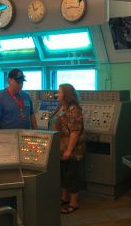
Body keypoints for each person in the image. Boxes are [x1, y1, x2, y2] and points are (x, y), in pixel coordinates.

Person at [49, 83, 85, 214]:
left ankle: (73, 203)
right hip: (59, 148)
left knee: (72, 176)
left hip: (71, 150)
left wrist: (68, 151)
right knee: (63, 174)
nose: (56, 94)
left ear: (67, 95)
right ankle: (64, 197)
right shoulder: (61, 108)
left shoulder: (74, 110)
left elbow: (75, 132)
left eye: (59, 92)